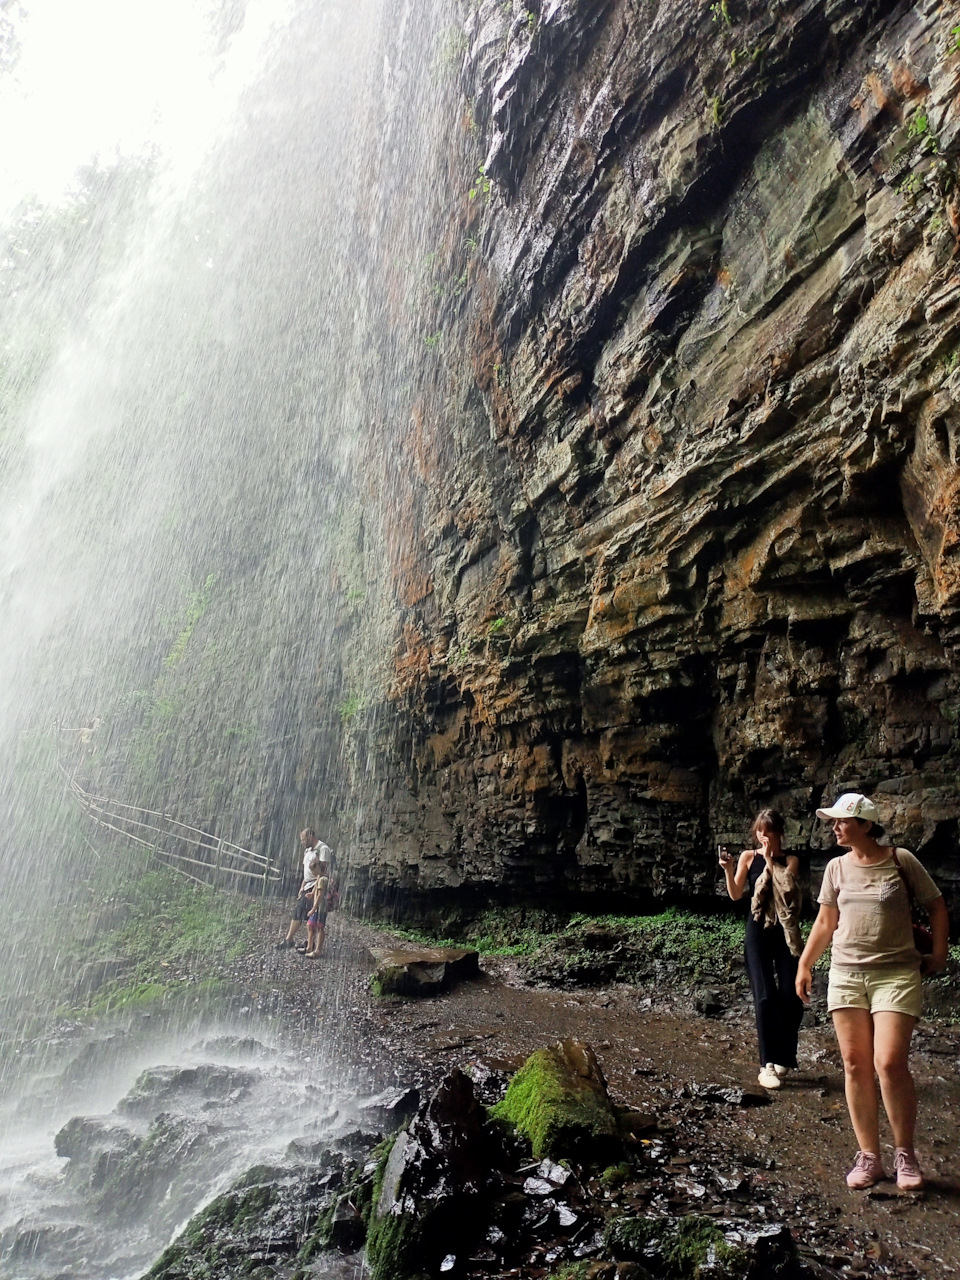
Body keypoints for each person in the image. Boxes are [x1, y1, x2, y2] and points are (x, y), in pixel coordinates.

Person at [795, 792, 949, 1191]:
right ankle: (869, 1157)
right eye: (834, 821)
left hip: (896, 974)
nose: (835, 827)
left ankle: (905, 1154)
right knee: (854, 1063)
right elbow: (826, 921)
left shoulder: (901, 860)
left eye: (842, 821)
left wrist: (938, 953)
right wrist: (805, 963)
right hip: (847, 973)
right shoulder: (835, 868)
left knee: (889, 1062)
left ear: (865, 824)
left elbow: (936, 905)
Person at [719, 809, 805, 1090]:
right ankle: (766, 1064)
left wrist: (769, 859)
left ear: (779, 832)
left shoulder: (790, 860)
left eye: (768, 831)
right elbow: (735, 894)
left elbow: (783, 889)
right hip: (757, 929)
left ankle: (784, 1057)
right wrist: (729, 869)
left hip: (784, 932)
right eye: (759, 831)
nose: (763, 836)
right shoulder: (748, 857)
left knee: (790, 996)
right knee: (764, 996)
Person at [275, 829, 332, 950]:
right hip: (307, 885)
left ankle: (291, 940)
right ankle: (308, 943)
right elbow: (306, 871)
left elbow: (322, 872)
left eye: (303, 840)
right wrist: (302, 886)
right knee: (308, 916)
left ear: (311, 836)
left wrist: (314, 890)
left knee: (304, 913)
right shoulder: (307, 850)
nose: (302, 842)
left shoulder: (323, 849)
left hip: (316, 886)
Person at [304, 863, 329, 958]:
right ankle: (309, 947)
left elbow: (320, 895)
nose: (312, 872)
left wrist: (313, 909)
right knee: (310, 925)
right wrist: (312, 893)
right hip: (318, 908)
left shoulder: (323, 880)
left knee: (319, 928)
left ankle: (317, 951)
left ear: (319, 869)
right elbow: (316, 892)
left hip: (320, 908)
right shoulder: (320, 878)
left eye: (313, 870)